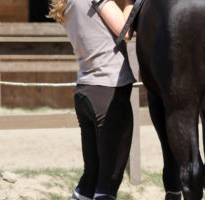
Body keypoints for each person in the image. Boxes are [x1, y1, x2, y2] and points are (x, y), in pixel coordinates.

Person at [47, 0, 135, 199]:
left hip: (85, 89)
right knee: (108, 183)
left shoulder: (66, 4)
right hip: (108, 91)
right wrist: (130, 3)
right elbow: (125, 31)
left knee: (90, 178)